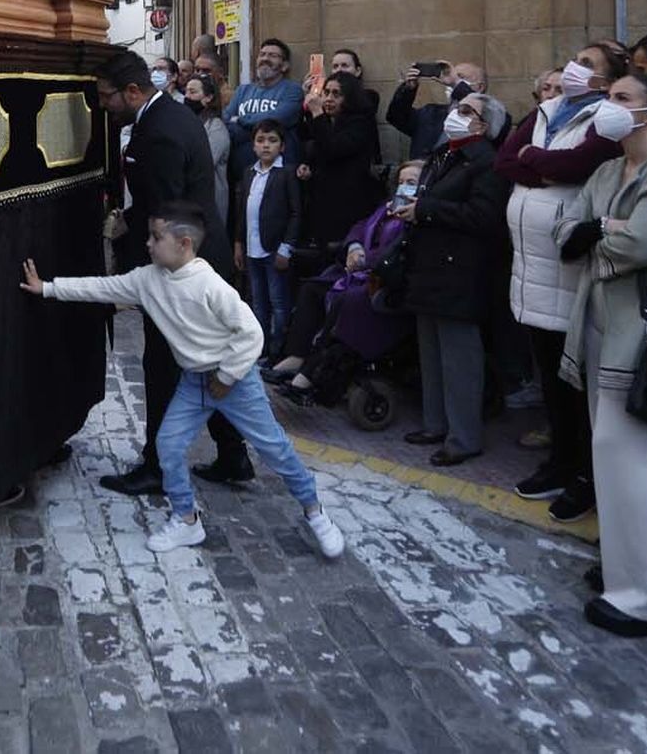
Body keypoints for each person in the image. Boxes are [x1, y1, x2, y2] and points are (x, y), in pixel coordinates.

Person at [19, 203, 346, 557]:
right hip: (194, 384)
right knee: (169, 446)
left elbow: (251, 333)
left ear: (184, 243)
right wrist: (48, 288)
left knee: (276, 450)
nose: (147, 244)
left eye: (156, 237)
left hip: (236, 383)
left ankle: (316, 513)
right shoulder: (147, 280)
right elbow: (103, 287)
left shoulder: (209, 285)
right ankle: (187, 521)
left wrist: (226, 376)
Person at [553, 72, 647, 640]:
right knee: (611, 456)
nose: (608, 107)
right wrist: (598, 228)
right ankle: (626, 570)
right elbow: (568, 232)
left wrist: (598, 230)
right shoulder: (607, 170)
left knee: (635, 461)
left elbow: (645, 242)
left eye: (621, 99)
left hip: (646, 331)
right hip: (601, 325)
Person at [93, 51, 253, 494]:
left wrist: (130, 243)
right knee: (204, 360)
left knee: (162, 364)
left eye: (107, 97)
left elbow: (164, 212)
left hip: (182, 264)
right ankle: (233, 454)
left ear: (131, 91)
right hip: (200, 255)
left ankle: (158, 466)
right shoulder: (171, 115)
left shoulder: (160, 132)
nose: (104, 105)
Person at [494, 40, 631, 522]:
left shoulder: (609, 116)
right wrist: (538, 162)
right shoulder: (549, 109)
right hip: (532, 262)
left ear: (606, 79)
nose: (575, 68)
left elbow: (580, 165)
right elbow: (506, 161)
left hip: (569, 260)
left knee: (579, 381)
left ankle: (588, 475)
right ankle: (561, 461)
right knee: (550, 375)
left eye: (588, 64)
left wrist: (536, 162)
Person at [397, 93, 510, 466]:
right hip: (429, 265)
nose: (455, 116)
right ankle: (435, 423)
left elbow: (483, 216)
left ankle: (463, 436)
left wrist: (426, 210)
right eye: (455, 109)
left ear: (483, 124)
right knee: (431, 350)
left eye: (466, 111)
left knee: (459, 357)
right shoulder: (445, 155)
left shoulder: (486, 163)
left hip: (459, 269)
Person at [265, 161, 420, 400]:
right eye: (401, 182)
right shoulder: (386, 208)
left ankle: (310, 373)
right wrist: (354, 247)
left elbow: (397, 253)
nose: (404, 187)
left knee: (347, 302)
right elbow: (360, 228)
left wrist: (366, 259)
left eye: (411, 183)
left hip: (385, 281)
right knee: (312, 289)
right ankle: (296, 355)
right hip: (358, 272)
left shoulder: (415, 220)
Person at [231, 120, 301, 358]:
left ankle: (277, 351)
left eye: (272, 141)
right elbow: (243, 211)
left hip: (275, 249)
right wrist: (239, 243)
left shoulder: (287, 173)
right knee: (258, 302)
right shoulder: (249, 173)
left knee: (279, 303)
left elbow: (296, 212)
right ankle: (260, 349)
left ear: (282, 146)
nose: (266, 146)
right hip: (252, 248)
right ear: (253, 146)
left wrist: (286, 247)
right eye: (260, 141)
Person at [299, 71, 384, 249]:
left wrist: (316, 112)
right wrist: (307, 168)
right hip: (321, 203)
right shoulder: (325, 120)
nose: (328, 99)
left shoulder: (360, 122)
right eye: (326, 92)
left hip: (348, 204)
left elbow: (334, 148)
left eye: (336, 94)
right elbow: (315, 147)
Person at [386, 60, 508, 156]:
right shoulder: (431, 113)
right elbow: (396, 117)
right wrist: (408, 89)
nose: (451, 79)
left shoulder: (493, 116)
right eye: (450, 75)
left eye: (461, 77)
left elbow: (497, 129)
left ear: (480, 87)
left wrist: (456, 83)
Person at [225, 38, 305, 175]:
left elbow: (277, 120)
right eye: (262, 54)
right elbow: (225, 121)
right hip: (243, 173)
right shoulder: (242, 90)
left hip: (278, 175)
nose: (265, 58)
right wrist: (253, 126)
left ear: (285, 66)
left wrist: (240, 121)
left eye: (273, 56)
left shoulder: (292, 90)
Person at [185, 74, 231, 228]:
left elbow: (204, 162)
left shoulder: (215, 127)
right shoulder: (187, 122)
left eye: (193, 92)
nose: (187, 96)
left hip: (209, 199)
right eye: (186, 92)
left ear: (208, 97)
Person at [329, 48, 381, 114]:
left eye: (344, 66)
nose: (339, 70)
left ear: (358, 71)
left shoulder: (370, 96)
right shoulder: (325, 97)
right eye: (335, 66)